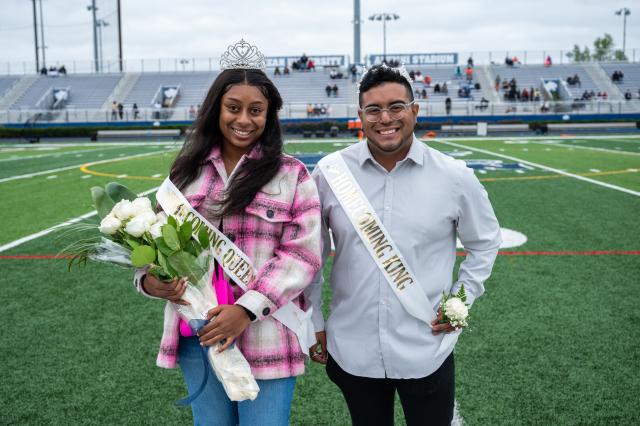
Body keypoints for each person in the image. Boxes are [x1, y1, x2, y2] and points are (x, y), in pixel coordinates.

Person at [133, 40, 322, 426]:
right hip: (198, 333)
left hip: (268, 330)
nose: (244, 119)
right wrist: (151, 281)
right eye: (233, 108)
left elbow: (303, 256)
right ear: (216, 108)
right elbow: (152, 243)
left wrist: (245, 309)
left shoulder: (292, 174)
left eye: (256, 110)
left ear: (269, 116)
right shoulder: (185, 173)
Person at [306, 63, 501, 426]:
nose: (385, 118)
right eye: (373, 109)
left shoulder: (455, 177)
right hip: (353, 347)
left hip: (427, 346)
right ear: (360, 116)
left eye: (396, 106)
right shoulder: (331, 174)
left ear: (414, 109)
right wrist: (313, 318)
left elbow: (486, 242)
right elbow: (312, 256)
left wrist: (461, 299)